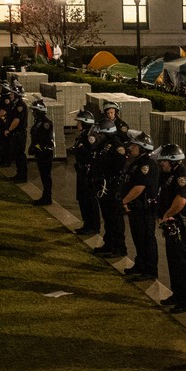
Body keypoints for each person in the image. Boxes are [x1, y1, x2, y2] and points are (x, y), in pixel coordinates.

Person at [154, 144, 186, 313]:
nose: (161, 164)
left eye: (164, 161)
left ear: (173, 161)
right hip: (173, 225)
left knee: (182, 262)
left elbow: (181, 201)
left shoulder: (182, 176)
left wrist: (166, 215)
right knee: (173, 261)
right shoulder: (170, 174)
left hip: (182, 226)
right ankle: (178, 294)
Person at [121, 133, 160, 280]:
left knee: (146, 238)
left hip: (144, 208)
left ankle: (150, 270)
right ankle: (141, 264)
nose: (131, 148)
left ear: (143, 148)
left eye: (134, 146)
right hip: (136, 207)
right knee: (138, 237)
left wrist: (123, 201)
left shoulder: (146, 165)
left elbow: (139, 187)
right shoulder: (137, 162)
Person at [95, 116, 131, 259]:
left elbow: (118, 168)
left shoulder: (117, 147)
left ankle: (119, 247)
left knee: (115, 218)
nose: (98, 136)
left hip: (113, 186)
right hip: (105, 185)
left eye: (100, 133)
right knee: (107, 217)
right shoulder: (104, 145)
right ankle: (109, 243)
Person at [71, 110, 102, 235]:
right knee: (83, 199)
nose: (77, 124)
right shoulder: (83, 135)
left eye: (79, 121)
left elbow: (91, 155)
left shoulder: (90, 137)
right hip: (81, 171)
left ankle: (93, 225)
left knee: (89, 200)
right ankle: (87, 223)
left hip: (87, 172)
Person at [28, 99, 56, 205]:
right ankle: (45, 196)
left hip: (45, 153)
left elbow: (45, 140)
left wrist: (36, 147)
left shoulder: (45, 123)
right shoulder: (39, 122)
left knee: (46, 176)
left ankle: (47, 197)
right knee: (43, 175)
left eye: (34, 111)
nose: (33, 113)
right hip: (40, 153)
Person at [3, 84, 29, 181]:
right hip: (16, 134)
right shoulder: (15, 104)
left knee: (20, 155)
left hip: (19, 134)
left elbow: (16, 120)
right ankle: (19, 174)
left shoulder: (20, 106)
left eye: (13, 93)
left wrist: (9, 130)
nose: (10, 95)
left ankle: (22, 176)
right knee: (17, 155)